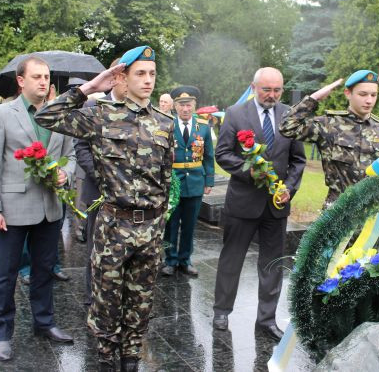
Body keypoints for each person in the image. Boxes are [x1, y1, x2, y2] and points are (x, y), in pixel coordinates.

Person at [35, 46, 174, 372]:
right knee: (106, 305)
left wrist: (159, 221)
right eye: (140, 73)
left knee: (140, 306)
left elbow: (166, 178)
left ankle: (130, 362)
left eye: (152, 73)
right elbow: (46, 116)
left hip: (151, 230)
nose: (148, 80)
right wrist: (89, 88)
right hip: (114, 227)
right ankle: (105, 363)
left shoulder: (164, 123)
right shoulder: (100, 115)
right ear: (122, 77)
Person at [0, 57, 76, 362]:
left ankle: (44, 322)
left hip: (49, 207)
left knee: (44, 270)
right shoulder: (2, 114)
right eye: (37, 76)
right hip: (12, 208)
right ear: (21, 81)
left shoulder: (59, 115)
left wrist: (66, 173)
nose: (43, 82)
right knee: (6, 274)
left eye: (46, 76)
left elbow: (70, 155)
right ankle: (3, 332)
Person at [212, 67, 306, 341]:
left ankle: (266, 319)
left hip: (276, 206)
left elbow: (298, 160)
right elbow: (223, 153)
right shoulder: (235, 113)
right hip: (242, 204)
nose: (272, 95)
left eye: (277, 90)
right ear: (253, 87)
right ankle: (221, 311)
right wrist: (247, 170)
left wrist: (288, 188)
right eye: (267, 89)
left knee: (272, 264)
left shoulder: (290, 114)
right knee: (232, 259)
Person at [279, 70, 379, 209]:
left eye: (374, 95)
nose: (369, 100)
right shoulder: (329, 125)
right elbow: (287, 127)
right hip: (337, 211)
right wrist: (313, 99)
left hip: (371, 213)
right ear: (348, 93)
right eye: (362, 94)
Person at [73, 58, 128, 305]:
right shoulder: (95, 107)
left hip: (130, 200)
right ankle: (92, 297)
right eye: (125, 75)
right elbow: (81, 147)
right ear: (115, 77)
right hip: (100, 194)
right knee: (97, 249)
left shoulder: (141, 111)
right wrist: (103, 176)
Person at [161, 85, 215, 277]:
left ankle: (185, 260)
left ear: (194, 105)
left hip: (195, 183)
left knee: (190, 225)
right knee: (171, 225)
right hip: (172, 184)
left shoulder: (204, 128)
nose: (185, 109)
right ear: (175, 106)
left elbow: (209, 156)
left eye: (189, 104)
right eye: (182, 105)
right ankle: (170, 260)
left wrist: (209, 181)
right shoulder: (166, 125)